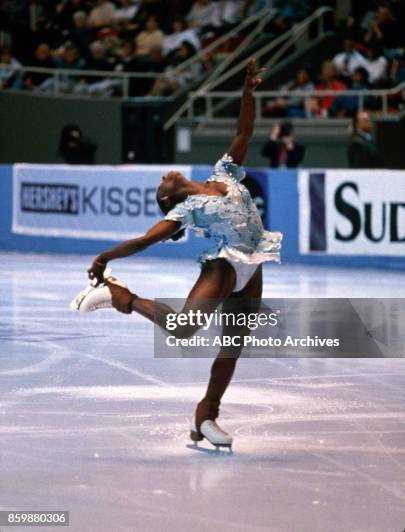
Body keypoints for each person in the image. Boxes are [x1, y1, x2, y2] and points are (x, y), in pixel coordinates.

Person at [71, 59, 283, 449]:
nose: (164, 175)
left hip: (252, 264)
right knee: (185, 328)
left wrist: (248, 91)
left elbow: (244, 130)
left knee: (233, 345)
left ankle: (206, 415)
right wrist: (104, 259)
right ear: (169, 198)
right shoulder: (183, 212)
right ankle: (122, 296)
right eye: (161, 183)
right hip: (224, 265)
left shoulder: (224, 173)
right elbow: (143, 242)